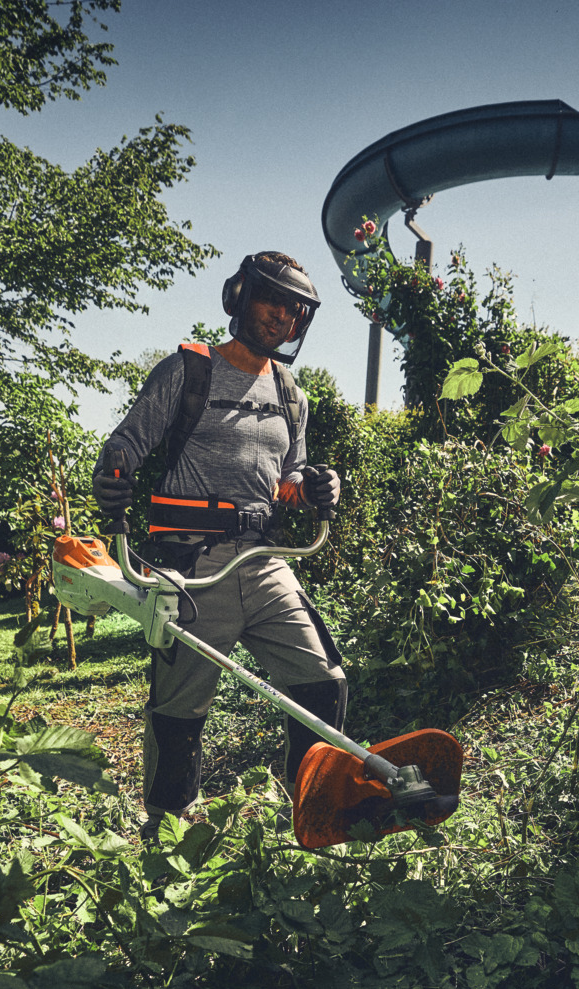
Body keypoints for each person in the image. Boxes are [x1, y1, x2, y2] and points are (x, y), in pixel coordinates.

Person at [92, 252, 346, 834]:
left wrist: (316, 487)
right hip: (191, 567)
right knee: (179, 711)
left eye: (295, 311)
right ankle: (166, 830)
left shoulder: (291, 394)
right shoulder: (187, 372)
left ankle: (318, 817)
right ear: (238, 296)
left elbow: (290, 480)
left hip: (265, 564)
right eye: (272, 301)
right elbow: (126, 443)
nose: (282, 317)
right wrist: (114, 475)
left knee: (323, 683)